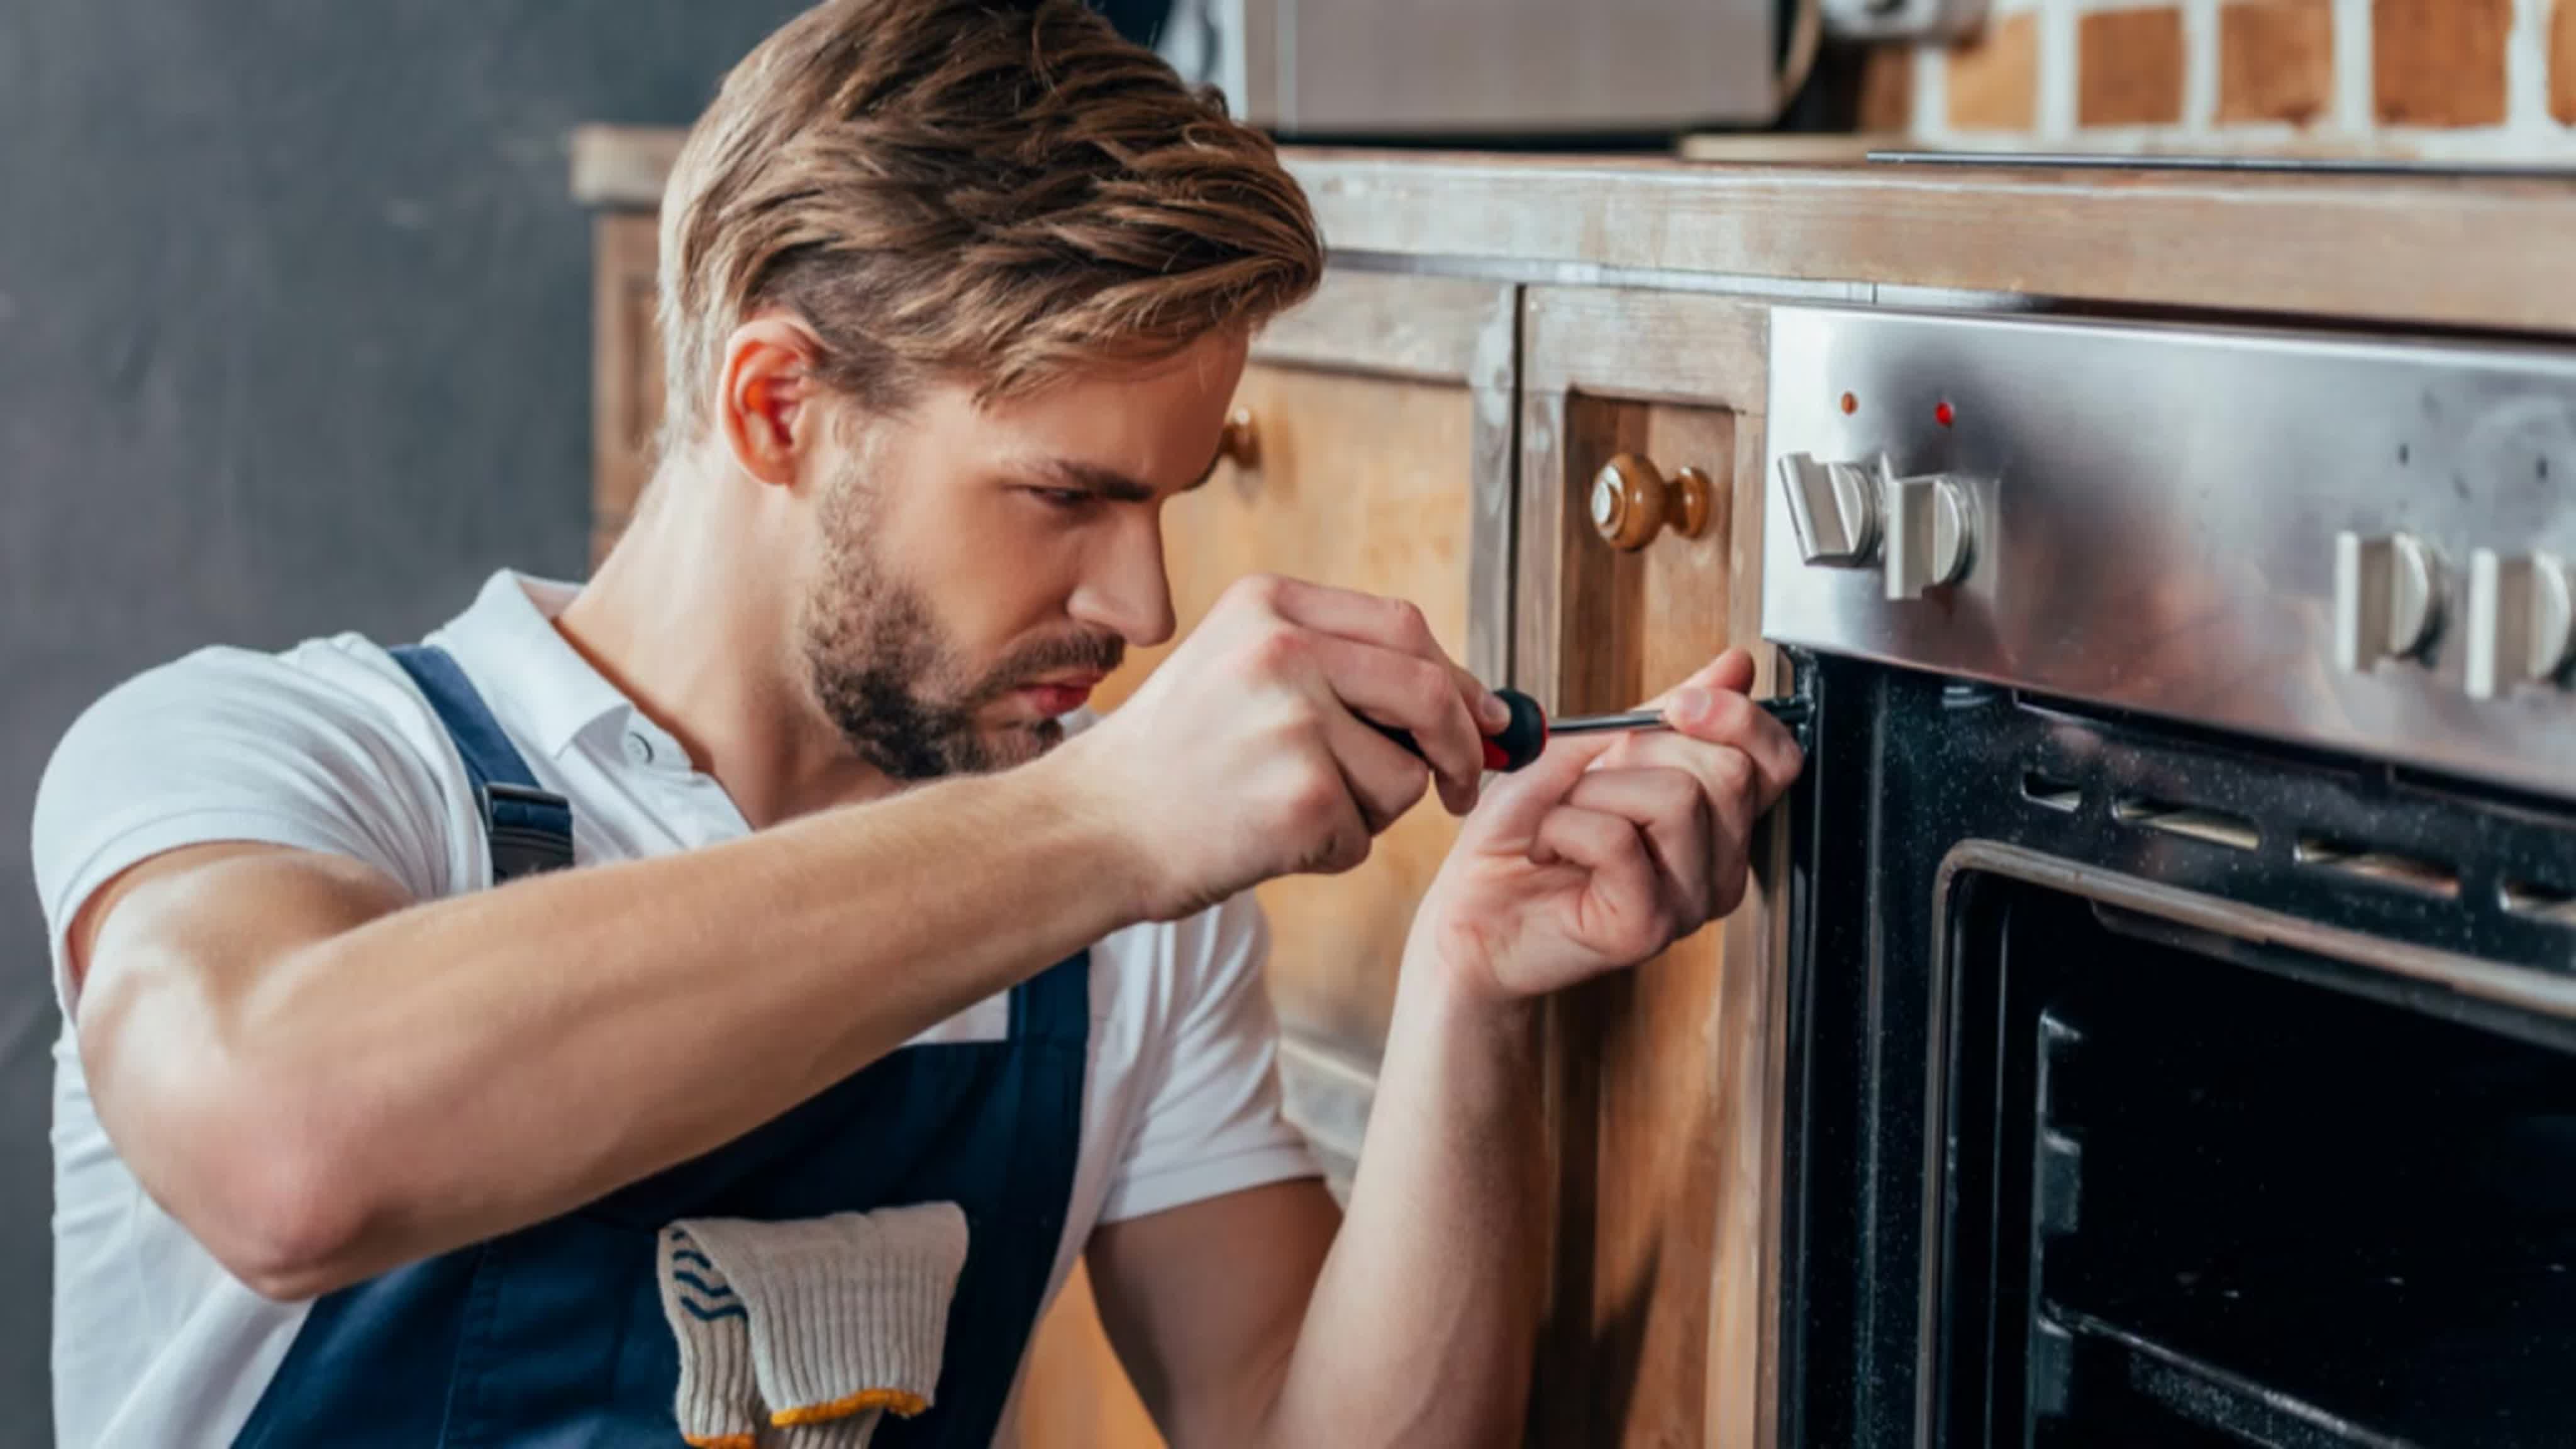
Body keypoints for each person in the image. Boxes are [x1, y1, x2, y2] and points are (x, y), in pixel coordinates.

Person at [28, 2, 1802, 1445]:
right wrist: (1107, 826)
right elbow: (284, 1151)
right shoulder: (277, 764)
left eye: (1168, 506)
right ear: (779, 400)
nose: (1147, 613)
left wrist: (1468, 994)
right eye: (1064, 497)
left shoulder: (1122, 931)